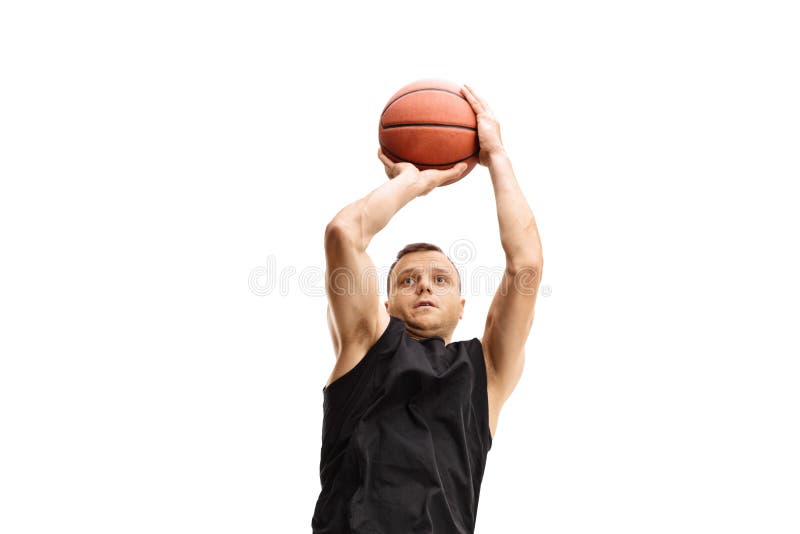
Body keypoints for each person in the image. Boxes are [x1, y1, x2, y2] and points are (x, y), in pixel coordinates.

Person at [311, 84, 544, 533]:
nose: (423, 286)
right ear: (387, 303)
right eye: (407, 279)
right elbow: (344, 232)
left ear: (461, 307)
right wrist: (414, 183)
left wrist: (496, 156)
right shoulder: (364, 346)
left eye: (440, 279)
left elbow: (526, 265)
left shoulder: (486, 372)